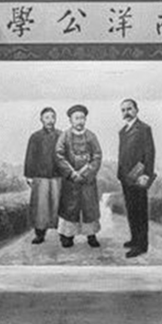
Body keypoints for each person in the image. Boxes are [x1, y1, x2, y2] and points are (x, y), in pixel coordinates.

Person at [55, 104, 103, 248]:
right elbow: (59, 155)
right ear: (71, 120)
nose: (80, 121)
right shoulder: (64, 136)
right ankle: (67, 235)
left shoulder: (91, 136)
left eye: (82, 118)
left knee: (89, 208)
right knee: (70, 208)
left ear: (85, 119)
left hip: (87, 181)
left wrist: (86, 173)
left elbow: (97, 156)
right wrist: (71, 173)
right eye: (76, 118)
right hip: (70, 181)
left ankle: (91, 235)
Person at [117, 98, 155, 258]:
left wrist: (146, 174)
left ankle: (141, 245)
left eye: (129, 109)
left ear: (136, 110)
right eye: (123, 110)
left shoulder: (144, 129)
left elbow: (150, 153)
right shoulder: (122, 131)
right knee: (131, 210)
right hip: (126, 177)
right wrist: (120, 174)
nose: (126, 112)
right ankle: (134, 239)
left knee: (140, 211)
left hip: (139, 176)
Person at [23, 107, 62, 244]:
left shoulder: (61, 136)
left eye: (52, 117)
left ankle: (64, 234)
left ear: (55, 119)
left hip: (58, 177)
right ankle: (40, 234)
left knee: (59, 205)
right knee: (40, 207)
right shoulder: (35, 137)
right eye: (47, 117)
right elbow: (30, 157)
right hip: (40, 177)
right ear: (41, 119)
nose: (50, 120)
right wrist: (29, 175)